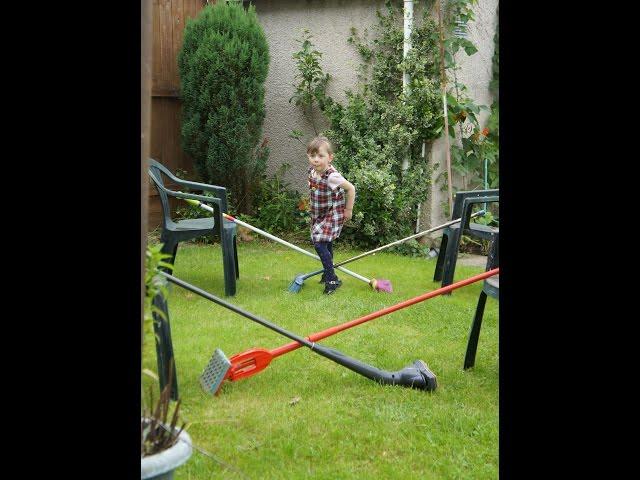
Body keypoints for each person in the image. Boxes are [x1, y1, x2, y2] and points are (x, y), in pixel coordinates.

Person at [306, 136, 356, 294]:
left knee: (319, 243)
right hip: (319, 213)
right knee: (326, 243)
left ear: (330, 157)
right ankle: (327, 273)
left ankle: (332, 279)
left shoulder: (332, 176)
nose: (315, 159)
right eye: (312, 156)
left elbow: (351, 189)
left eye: (320, 156)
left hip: (332, 214)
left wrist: (348, 210)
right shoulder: (313, 172)